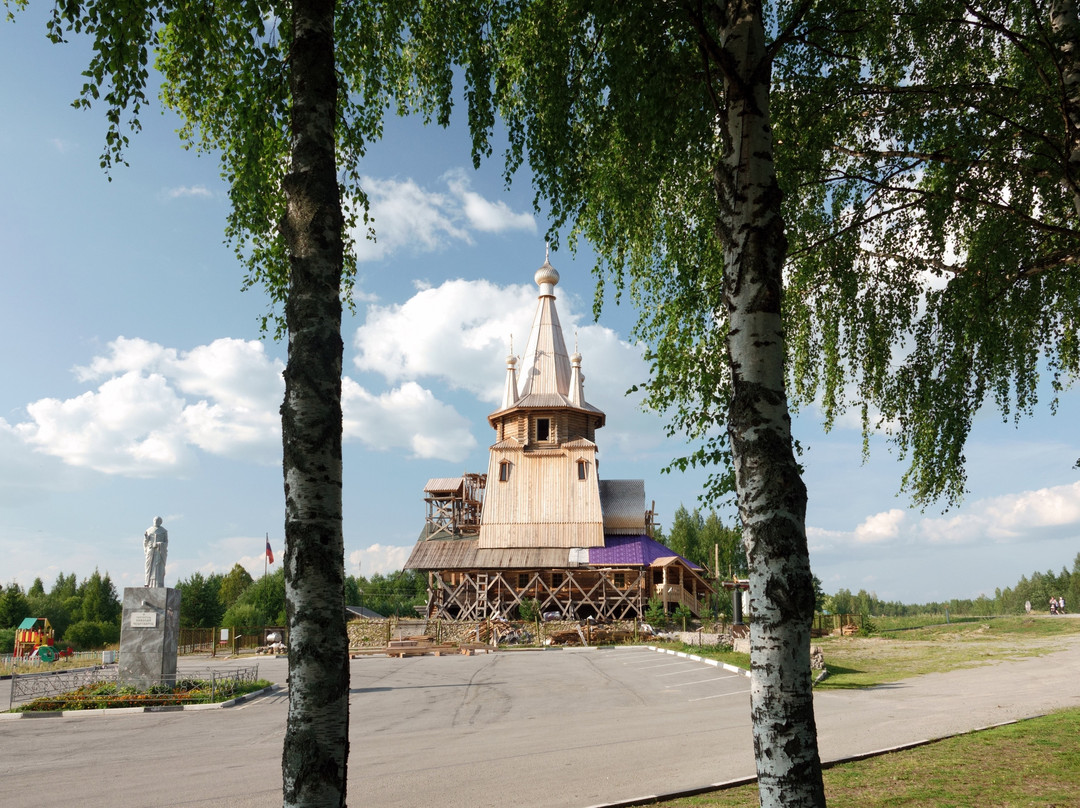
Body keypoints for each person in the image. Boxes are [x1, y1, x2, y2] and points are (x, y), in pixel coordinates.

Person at [143, 516, 168, 587]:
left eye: (158, 521)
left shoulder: (164, 531)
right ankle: (147, 582)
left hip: (159, 552)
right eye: (155, 520)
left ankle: (158, 583)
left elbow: (166, 543)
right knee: (148, 566)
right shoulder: (149, 530)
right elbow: (145, 542)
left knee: (158, 567)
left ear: (160, 522)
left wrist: (158, 544)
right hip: (150, 550)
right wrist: (146, 538)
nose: (156, 522)